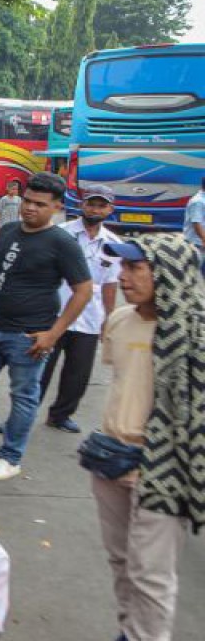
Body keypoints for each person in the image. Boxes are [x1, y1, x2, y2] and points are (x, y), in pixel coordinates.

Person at [88, 236, 201, 641]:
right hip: (110, 457)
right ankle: (128, 631)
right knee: (121, 561)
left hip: (163, 465)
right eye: (123, 267)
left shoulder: (195, 330)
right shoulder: (120, 320)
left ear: (167, 272)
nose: (124, 276)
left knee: (150, 574)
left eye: (136, 268)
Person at [0, 172, 93, 482]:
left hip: (29, 336)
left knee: (24, 397)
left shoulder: (62, 243)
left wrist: (54, 333)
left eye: (39, 204)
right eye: (27, 201)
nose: (30, 208)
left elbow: (83, 290)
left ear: (56, 207)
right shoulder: (9, 231)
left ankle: (10, 457)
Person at [36, 186, 121, 433]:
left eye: (101, 205)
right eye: (91, 204)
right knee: (38, 369)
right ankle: (23, 413)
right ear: (82, 205)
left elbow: (110, 285)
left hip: (90, 318)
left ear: (110, 209)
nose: (95, 209)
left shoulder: (114, 244)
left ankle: (60, 415)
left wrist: (108, 319)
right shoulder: (60, 234)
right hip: (55, 312)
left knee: (78, 373)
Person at [184, 176, 205, 273]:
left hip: (200, 242)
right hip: (196, 243)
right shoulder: (198, 201)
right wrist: (204, 239)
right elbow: (196, 223)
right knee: (193, 271)